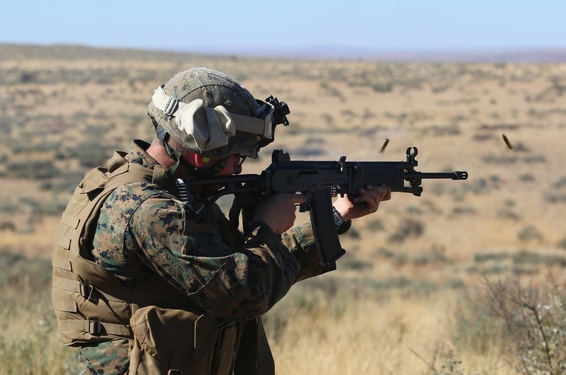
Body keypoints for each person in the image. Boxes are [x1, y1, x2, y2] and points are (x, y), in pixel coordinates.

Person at [51, 67, 391, 374]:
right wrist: (265, 228)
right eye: (236, 158)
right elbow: (243, 294)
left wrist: (334, 216)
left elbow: (241, 266)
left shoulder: (151, 187)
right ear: (201, 154)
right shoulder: (151, 211)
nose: (239, 169)